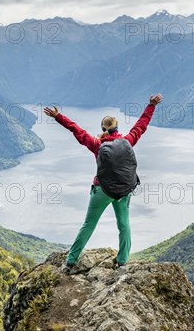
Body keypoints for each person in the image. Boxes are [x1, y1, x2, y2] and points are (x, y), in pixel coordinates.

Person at [43, 93, 163, 273]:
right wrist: (151, 105)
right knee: (124, 224)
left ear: (103, 128)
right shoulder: (127, 141)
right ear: (117, 128)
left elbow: (76, 130)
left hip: (101, 190)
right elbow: (141, 126)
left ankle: (70, 263)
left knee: (88, 225)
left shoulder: (97, 144)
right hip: (123, 191)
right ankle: (122, 261)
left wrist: (58, 116)